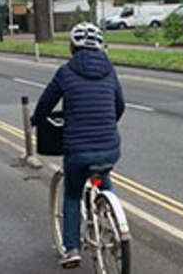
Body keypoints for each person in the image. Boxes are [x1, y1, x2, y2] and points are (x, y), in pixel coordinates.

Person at [31, 22, 125, 269]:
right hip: (110, 147)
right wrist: (106, 123)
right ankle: (112, 224)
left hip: (78, 150)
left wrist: (36, 120)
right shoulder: (110, 70)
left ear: (72, 46)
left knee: (72, 194)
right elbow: (120, 105)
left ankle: (71, 248)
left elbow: (45, 105)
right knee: (103, 175)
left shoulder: (66, 72)